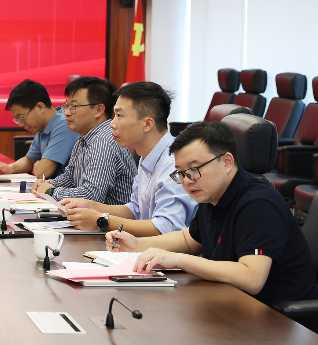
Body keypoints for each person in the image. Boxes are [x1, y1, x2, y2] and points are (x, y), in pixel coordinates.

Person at [108, 121, 318, 305]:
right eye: (180, 173)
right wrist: (138, 245)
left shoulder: (259, 203)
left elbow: (252, 277)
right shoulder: (212, 194)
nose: (187, 180)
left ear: (227, 162)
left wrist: (178, 259)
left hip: (278, 319)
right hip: (231, 305)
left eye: (194, 169)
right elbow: (189, 239)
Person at [61, 82, 197, 235]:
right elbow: (136, 210)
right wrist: (91, 206)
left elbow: (166, 228)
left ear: (147, 124)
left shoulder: (174, 164)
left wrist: (102, 220)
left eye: (119, 116)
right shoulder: (146, 156)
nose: (112, 124)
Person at [33, 76, 136, 205]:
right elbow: (70, 177)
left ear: (98, 110)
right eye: (66, 106)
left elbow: (92, 195)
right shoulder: (84, 136)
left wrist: (51, 191)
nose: (67, 112)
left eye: (74, 106)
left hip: (111, 217)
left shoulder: (103, 140)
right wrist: (48, 183)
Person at [0, 79, 76, 179]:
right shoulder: (42, 127)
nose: (20, 124)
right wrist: (9, 168)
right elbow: (30, 161)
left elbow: (43, 172)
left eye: (21, 118)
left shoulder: (64, 124)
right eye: (17, 120)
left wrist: (39, 167)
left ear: (40, 107)